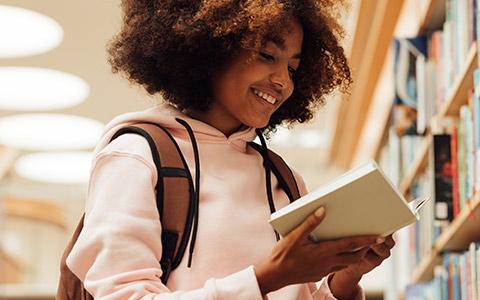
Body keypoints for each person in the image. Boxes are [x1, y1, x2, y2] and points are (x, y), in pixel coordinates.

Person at [66, 1, 395, 299]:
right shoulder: (137, 156)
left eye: (293, 68)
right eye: (267, 55)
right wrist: (267, 278)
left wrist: (346, 278)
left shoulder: (283, 178)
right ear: (212, 48)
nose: (283, 81)